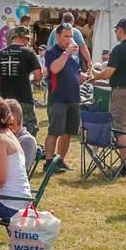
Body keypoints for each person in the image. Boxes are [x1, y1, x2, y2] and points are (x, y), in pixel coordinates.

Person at [90, 17, 126, 174]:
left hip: (123, 91)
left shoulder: (119, 49)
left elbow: (108, 72)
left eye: (116, 30)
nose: (116, 33)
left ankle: (125, 167)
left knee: (120, 130)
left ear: (120, 30)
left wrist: (96, 75)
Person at [42, 24, 83, 171]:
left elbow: (76, 74)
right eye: (66, 36)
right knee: (54, 131)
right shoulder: (52, 52)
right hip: (58, 98)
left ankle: (60, 161)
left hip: (74, 98)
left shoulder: (73, 54)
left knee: (68, 132)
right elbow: (54, 69)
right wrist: (66, 53)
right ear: (58, 36)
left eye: (71, 36)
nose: (70, 39)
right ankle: (48, 162)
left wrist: (91, 76)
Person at [0, 26, 43, 135]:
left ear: (12, 37)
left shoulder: (1, 53)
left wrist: (1, 89)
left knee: (5, 128)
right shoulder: (29, 53)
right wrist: (35, 80)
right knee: (28, 129)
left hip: (4, 98)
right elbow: (38, 76)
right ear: (26, 38)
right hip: (24, 98)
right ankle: (26, 150)